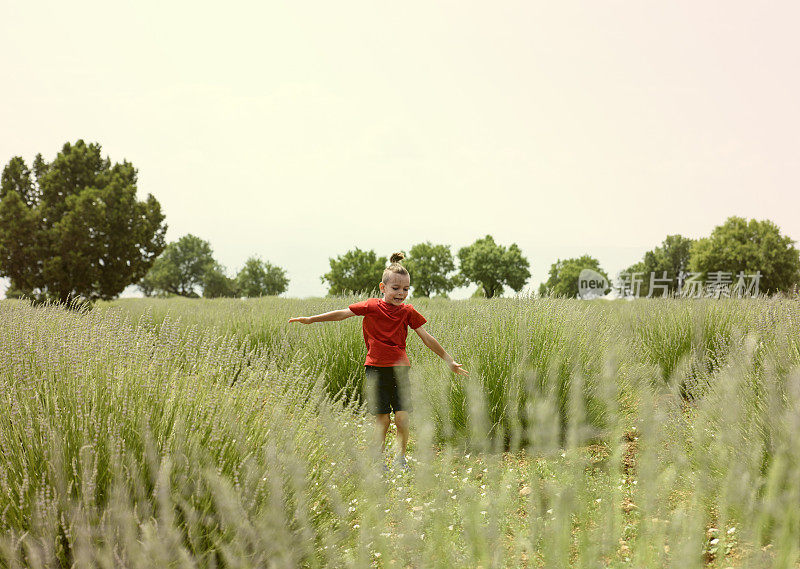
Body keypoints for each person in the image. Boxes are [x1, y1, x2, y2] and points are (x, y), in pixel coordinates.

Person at [288, 252, 467, 470]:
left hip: (400, 370)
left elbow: (427, 338)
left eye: (406, 289)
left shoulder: (408, 311)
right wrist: (311, 319)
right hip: (375, 369)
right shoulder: (372, 306)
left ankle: (400, 460)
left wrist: (449, 360)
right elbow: (342, 314)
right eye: (396, 288)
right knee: (382, 421)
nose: (401, 293)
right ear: (383, 287)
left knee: (402, 418)